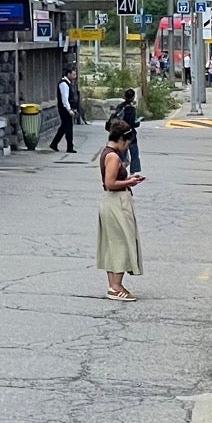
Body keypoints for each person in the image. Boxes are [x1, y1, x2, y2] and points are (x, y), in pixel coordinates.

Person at [96, 120, 144, 299]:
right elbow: (110, 183)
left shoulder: (107, 153)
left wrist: (128, 178)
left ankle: (114, 285)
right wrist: (130, 182)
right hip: (116, 202)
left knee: (114, 242)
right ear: (122, 140)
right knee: (122, 242)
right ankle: (115, 287)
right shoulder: (113, 157)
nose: (127, 147)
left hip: (112, 202)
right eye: (127, 143)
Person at [107, 88, 142, 173]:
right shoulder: (131, 109)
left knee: (122, 155)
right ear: (133, 97)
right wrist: (138, 122)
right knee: (134, 155)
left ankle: (119, 170)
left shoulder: (120, 107)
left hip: (120, 134)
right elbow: (133, 124)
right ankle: (132, 173)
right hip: (130, 134)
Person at [50, 69, 76, 154]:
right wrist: (69, 109)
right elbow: (65, 98)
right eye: (73, 74)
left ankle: (54, 143)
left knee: (64, 127)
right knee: (68, 127)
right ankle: (69, 147)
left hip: (67, 108)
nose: (74, 77)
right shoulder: (64, 84)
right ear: (68, 74)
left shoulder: (68, 84)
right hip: (64, 109)